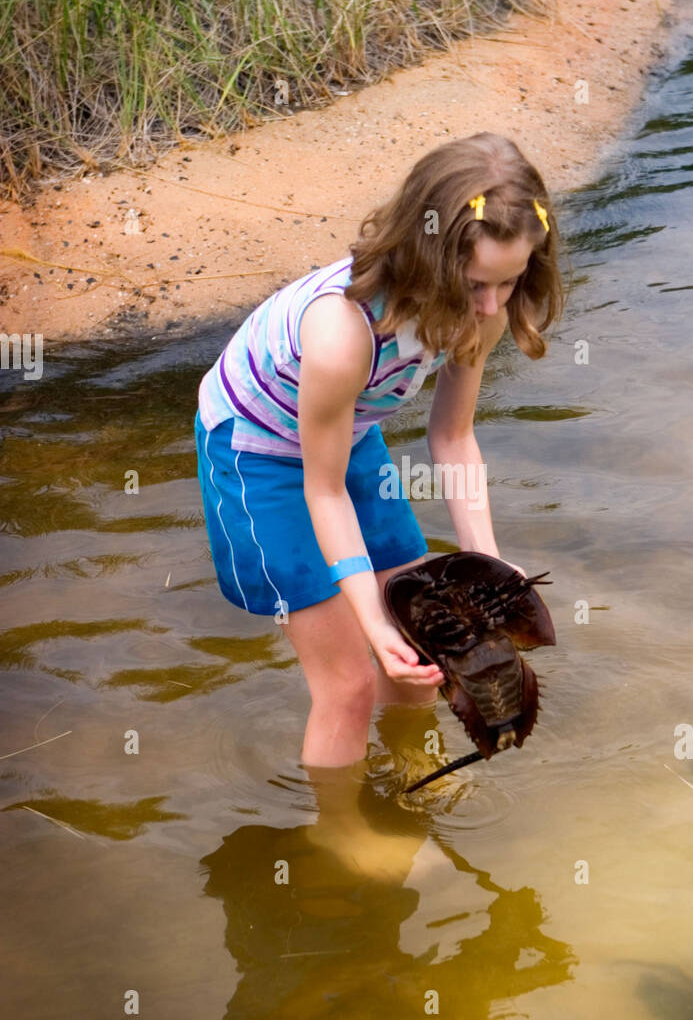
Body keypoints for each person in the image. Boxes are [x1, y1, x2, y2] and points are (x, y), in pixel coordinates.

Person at [194, 131, 563, 776]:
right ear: (429, 258)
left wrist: (492, 570)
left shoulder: (485, 309)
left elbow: (452, 437)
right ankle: (344, 841)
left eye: (510, 282)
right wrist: (370, 619)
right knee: (350, 685)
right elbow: (323, 490)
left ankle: (410, 776)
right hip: (258, 456)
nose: (490, 306)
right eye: (477, 284)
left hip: (347, 435)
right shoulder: (341, 332)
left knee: (420, 661)